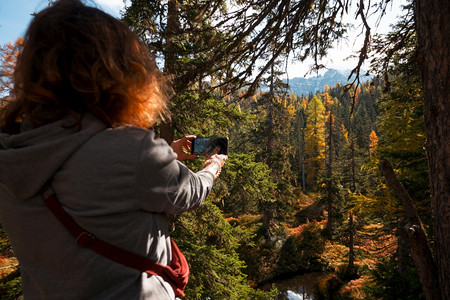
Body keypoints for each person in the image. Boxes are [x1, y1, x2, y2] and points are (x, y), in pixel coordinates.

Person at [0, 0, 226, 299]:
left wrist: (168, 154)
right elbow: (188, 193)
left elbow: (87, 173)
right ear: (118, 71)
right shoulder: (133, 149)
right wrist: (212, 167)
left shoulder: (9, 152)